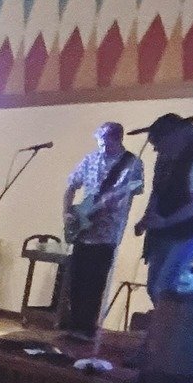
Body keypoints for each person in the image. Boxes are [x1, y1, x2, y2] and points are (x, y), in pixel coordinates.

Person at [57, 122, 147, 337]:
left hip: (107, 232)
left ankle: (87, 328)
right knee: (76, 280)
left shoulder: (132, 164)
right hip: (82, 228)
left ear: (118, 139)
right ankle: (72, 326)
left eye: (106, 143)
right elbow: (71, 186)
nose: (102, 148)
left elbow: (134, 189)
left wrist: (113, 200)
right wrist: (67, 212)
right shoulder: (91, 159)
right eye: (100, 143)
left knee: (95, 282)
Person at [132, 112, 193, 305]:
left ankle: (170, 331)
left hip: (188, 233)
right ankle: (163, 329)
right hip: (162, 231)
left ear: (176, 137)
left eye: (159, 142)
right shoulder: (166, 158)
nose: (156, 149)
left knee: (165, 286)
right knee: (154, 286)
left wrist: (165, 221)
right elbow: (157, 192)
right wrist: (147, 218)